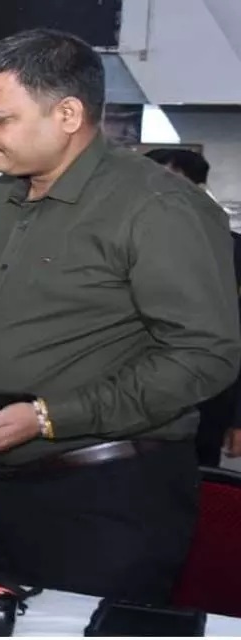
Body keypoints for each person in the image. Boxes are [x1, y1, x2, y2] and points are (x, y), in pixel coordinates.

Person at [0, 28, 240, 602]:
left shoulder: (157, 206)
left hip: (105, 497)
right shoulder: (1, 198)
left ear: (68, 115)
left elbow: (203, 356)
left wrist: (49, 417)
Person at [145, 147, 241, 467]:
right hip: (124, 402)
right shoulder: (111, 245)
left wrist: (239, 418)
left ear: (197, 189)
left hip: (205, 403)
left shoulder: (231, 251)